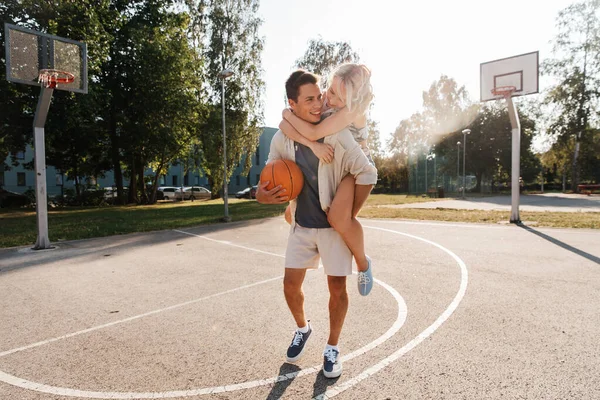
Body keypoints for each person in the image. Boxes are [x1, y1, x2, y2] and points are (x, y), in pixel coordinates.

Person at [256, 70, 377, 379]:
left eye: (320, 96)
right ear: (293, 103)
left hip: (332, 228)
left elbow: (364, 169)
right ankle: (302, 328)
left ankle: (332, 347)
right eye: (309, 99)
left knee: (337, 288)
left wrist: (349, 212)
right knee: (289, 285)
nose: (319, 103)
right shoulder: (283, 138)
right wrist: (265, 196)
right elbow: (265, 183)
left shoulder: (337, 132)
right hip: (302, 226)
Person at [279, 63, 375, 297]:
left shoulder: (351, 111)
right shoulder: (331, 105)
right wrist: (286, 114)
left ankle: (363, 264)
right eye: (329, 90)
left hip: (356, 171)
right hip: (336, 169)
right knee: (291, 214)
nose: (327, 97)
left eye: (334, 94)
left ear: (350, 98)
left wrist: (294, 122)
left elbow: (311, 132)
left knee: (340, 220)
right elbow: (284, 125)